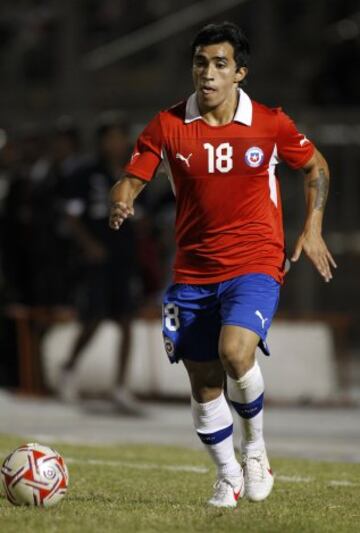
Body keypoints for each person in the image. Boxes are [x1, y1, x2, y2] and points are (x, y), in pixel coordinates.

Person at [109, 22, 337, 506]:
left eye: (219, 64)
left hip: (255, 261)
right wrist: (122, 200)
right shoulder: (168, 126)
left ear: (240, 73)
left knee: (236, 352)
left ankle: (255, 449)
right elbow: (132, 177)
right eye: (200, 62)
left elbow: (315, 164)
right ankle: (227, 473)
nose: (207, 74)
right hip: (193, 271)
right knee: (204, 382)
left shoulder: (269, 122)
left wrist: (311, 227)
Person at [60, 112, 142, 414]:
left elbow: (140, 217)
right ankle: (68, 368)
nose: (116, 143)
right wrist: (89, 245)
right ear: (101, 142)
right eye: (111, 137)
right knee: (94, 317)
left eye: (120, 137)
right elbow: (71, 216)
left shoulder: (132, 174)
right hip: (97, 259)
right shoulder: (85, 174)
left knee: (126, 322)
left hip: (123, 259)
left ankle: (120, 387)